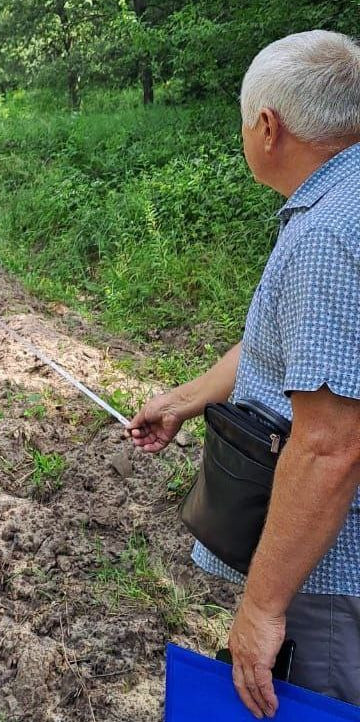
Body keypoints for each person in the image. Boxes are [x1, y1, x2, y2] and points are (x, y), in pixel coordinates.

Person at [128, 30, 360, 719]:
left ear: (268, 127)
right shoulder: (339, 201)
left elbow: (328, 446)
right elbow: (294, 346)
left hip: (333, 569)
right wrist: (186, 398)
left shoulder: (327, 237)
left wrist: (260, 609)